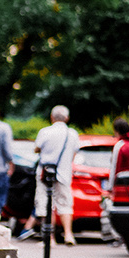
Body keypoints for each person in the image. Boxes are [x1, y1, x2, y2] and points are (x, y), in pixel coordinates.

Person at [28, 105, 80, 245]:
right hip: (64, 173)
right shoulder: (73, 134)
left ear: (52, 117)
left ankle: (49, 239)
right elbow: (74, 153)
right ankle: (68, 235)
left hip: (45, 174)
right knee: (65, 204)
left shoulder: (45, 132)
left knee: (46, 204)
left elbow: (36, 149)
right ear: (67, 118)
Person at [106, 119, 129, 245]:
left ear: (117, 131)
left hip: (120, 184)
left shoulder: (120, 145)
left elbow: (114, 167)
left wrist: (110, 188)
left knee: (113, 209)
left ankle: (118, 237)